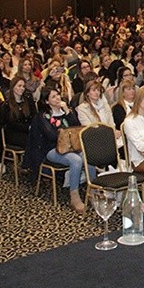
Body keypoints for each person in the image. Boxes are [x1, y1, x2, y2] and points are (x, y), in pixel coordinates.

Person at [23, 86, 92, 214]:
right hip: (52, 149)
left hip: (71, 147)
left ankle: (92, 190)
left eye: (58, 95)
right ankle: (74, 196)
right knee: (76, 160)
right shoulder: (43, 116)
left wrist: (67, 110)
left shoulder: (66, 113)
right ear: (47, 101)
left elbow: (77, 128)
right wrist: (64, 133)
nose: (57, 98)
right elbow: (52, 136)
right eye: (53, 96)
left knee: (89, 155)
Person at [0, 75, 37, 175]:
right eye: (19, 86)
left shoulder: (28, 101)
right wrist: (29, 128)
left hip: (27, 131)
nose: (22, 89)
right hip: (13, 133)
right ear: (13, 87)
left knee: (39, 138)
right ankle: (29, 165)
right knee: (33, 141)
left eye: (23, 86)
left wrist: (32, 127)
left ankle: (32, 165)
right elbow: (12, 124)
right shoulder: (7, 105)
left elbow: (34, 116)